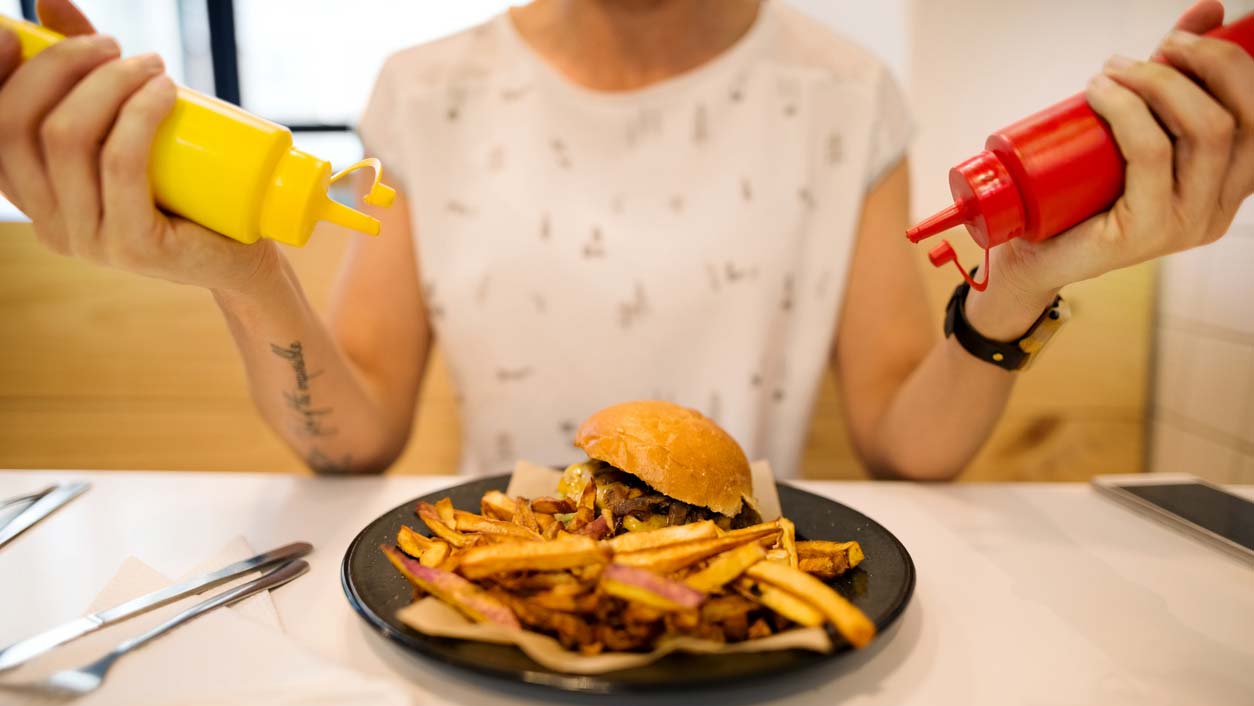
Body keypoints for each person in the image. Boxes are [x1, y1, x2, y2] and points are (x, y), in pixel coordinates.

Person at [0, 0, 1250, 479]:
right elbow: (360, 434)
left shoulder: (844, 89)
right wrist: (242, 271)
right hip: (490, 610)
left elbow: (903, 448)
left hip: (737, 634)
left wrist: (1019, 284)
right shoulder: (427, 85)